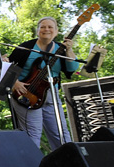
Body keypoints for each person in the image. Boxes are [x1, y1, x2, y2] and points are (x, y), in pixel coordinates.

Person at [8, 17, 81, 150]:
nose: (46, 29)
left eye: (50, 27)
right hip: (26, 94)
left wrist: (69, 50)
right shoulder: (26, 48)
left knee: (61, 134)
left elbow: (72, 69)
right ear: (37, 31)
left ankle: (69, 165)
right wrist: (15, 83)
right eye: (42, 27)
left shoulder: (61, 49)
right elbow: (7, 67)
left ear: (56, 31)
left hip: (51, 95)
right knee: (33, 134)